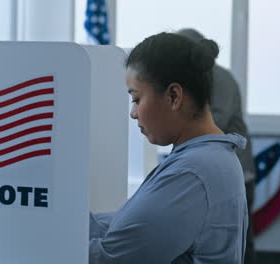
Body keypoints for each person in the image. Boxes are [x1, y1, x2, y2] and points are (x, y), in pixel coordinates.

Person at [89, 32, 248, 264]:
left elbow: (111, 259)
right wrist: (71, 221)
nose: (133, 113)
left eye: (136, 99)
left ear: (174, 96)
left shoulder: (193, 172)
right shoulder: (206, 157)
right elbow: (130, 226)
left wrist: (42, 243)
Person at [176, 28, 257, 264]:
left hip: (237, 172)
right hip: (220, 169)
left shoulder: (219, 78)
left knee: (239, 242)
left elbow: (213, 123)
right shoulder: (199, 77)